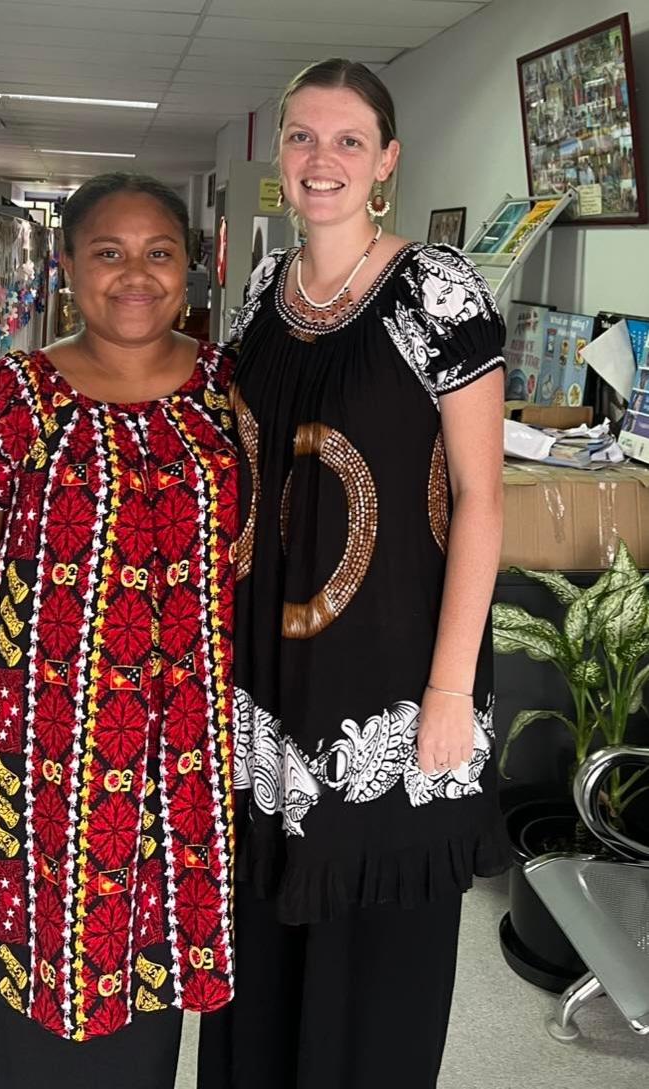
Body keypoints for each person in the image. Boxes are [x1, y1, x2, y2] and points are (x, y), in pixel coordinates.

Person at [198, 59, 508, 1089]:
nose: (318, 159)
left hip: (393, 680)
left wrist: (451, 691)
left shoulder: (435, 286)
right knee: (262, 943)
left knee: (376, 955)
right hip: (267, 681)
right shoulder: (256, 294)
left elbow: (481, 497)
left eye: (343, 140)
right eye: (299, 137)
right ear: (278, 158)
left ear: (384, 161)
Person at [0, 173, 239, 1088]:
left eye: (159, 252)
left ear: (192, 269)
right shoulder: (10, 398)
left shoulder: (230, 397)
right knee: (12, 984)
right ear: (67, 267)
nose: (135, 274)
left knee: (145, 982)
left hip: (178, 763)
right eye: (108, 252)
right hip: (28, 751)